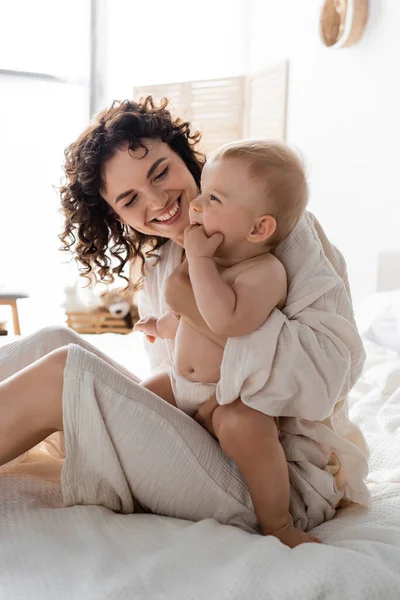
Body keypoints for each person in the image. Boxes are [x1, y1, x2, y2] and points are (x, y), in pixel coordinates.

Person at [0, 98, 370, 539]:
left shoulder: (277, 232)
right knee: (51, 341)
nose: (157, 200)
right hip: (202, 439)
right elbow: (184, 381)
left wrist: (194, 305)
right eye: (129, 199)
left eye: (160, 172)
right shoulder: (162, 264)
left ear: (185, 157)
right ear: (117, 216)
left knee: (66, 374)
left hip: (273, 477)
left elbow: (330, 372)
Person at [134, 139, 319, 547]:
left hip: (228, 396)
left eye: (213, 198)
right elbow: (187, 317)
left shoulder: (264, 272)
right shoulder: (212, 262)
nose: (196, 206)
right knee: (135, 400)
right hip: (180, 383)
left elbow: (226, 321)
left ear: (259, 228)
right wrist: (162, 326)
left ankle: (278, 523)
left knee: (244, 430)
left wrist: (197, 262)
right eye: (202, 192)